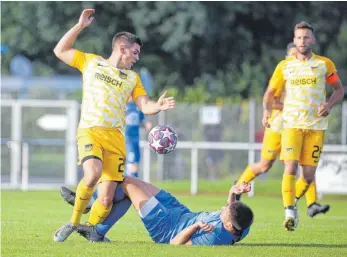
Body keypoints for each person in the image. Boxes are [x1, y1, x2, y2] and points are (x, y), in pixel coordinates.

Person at [53, 9, 175, 242]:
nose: (137, 57)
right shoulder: (91, 62)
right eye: (135, 52)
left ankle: (90, 230)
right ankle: (73, 222)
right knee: (92, 174)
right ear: (122, 48)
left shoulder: (132, 78)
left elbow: (144, 105)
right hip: (90, 130)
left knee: (107, 198)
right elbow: (60, 50)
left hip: (116, 140)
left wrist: (157, 106)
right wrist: (80, 25)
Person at [262, 21, 344, 231]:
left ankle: (294, 203)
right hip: (291, 125)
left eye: (306, 37)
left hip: (316, 127)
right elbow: (270, 93)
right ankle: (289, 210)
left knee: (307, 177)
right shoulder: (285, 66)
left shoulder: (325, 64)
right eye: (299, 37)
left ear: (313, 40)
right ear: (294, 39)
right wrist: (266, 110)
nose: (302, 41)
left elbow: (338, 90)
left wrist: (329, 105)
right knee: (290, 166)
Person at [236, 42, 330, 218]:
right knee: (264, 166)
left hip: (298, 127)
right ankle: (238, 186)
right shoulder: (283, 76)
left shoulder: (308, 77)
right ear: (287, 57)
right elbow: (271, 100)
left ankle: (311, 203)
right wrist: (291, 106)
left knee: (306, 165)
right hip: (277, 128)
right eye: (293, 54)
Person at [60, 177, 254, 245]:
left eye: (225, 211)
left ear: (227, 225)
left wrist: (195, 227)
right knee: (127, 180)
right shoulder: (242, 227)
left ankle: (89, 209)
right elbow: (232, 215)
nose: (223, 207)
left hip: (166, 227)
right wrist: (233, 194)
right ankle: (94, 220)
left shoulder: (214, 238)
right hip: (180, 211)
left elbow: (175, 243)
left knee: (126, 185)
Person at [125, 97, 152, 177]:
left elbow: (141, 122)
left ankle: (134, 181)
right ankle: (129, 183)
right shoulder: (122, 105)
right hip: (127, 139)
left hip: (136, 139)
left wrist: (146, 125)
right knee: (131, 162)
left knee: (136, 161)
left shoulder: (138, 107)